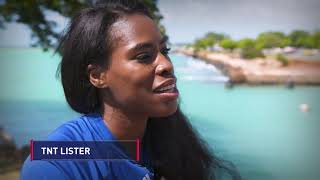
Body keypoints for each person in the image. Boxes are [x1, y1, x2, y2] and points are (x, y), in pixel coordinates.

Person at [21, 0, 240, 179]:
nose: (167, 64)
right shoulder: (54, 164)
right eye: (144, 56)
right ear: (98, 76)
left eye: (165, 50)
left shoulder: (167, 140)